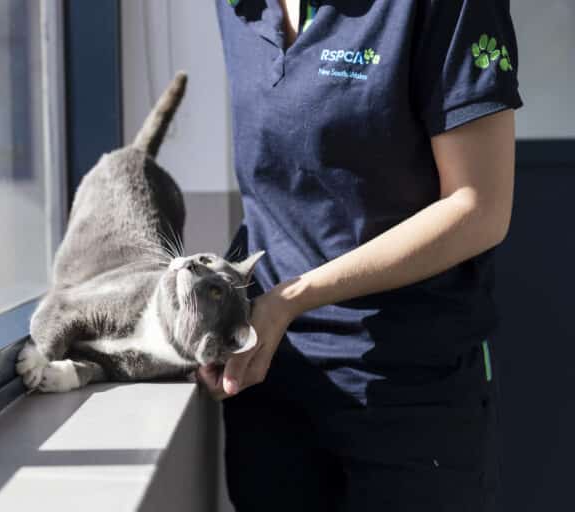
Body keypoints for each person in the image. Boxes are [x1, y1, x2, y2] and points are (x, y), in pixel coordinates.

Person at [197, 0, 522, 510]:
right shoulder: (239, 8)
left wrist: (294, 298)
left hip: (411, 393)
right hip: (271, 389)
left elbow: (479, 206)